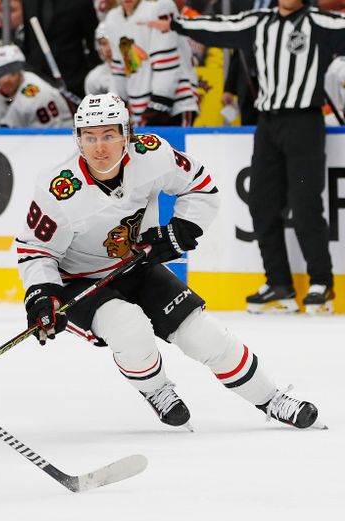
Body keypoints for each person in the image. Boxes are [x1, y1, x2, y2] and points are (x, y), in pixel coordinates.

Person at [17, 92, 321, 431]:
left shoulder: (153, 154)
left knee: (202, 334)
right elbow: (35, 251)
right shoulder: (58, 189)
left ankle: (272, 398)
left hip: (135, 265)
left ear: (127, 135)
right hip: (80, 280)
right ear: (78, 140)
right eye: (89, 137)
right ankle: (157, 390)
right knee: (129, 328)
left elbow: (201, 186)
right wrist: (42, 294)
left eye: (109, 135)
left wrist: (180, 230)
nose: (99, 147)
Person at [144, 0, 345, 314]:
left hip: (305, 123)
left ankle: (321, 282)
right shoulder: (259, 21)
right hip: (267, 124)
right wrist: (178, 24)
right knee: (262, 203)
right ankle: (279, 284)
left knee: (306, 203)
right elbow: (220, 27)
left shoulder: (320, 22)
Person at [104, 0, 198, 126]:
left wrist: (159, 103)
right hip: (141, 111)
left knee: (175, 146)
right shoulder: (112, 19)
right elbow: (120, 68)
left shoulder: (161, 8)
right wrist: (115, 103)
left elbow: (166, 61)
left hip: (175, 104)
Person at [0, 44, 71, 128]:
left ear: (20, 72)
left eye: (12, 73)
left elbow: (46, 137)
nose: (6, 80)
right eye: (0, 74)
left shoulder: (39, 94)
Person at [21, 0, 101, 99]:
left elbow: (93, 42)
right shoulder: (28, 2)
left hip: (73, 80)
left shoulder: (80, 2)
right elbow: (28, 42)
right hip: (38, 80)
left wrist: (86, 76)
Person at [84, 22, 113, 95]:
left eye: (112, 42)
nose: (108, 49)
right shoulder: (94, 78)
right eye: (103, 43)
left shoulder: (141, 71)